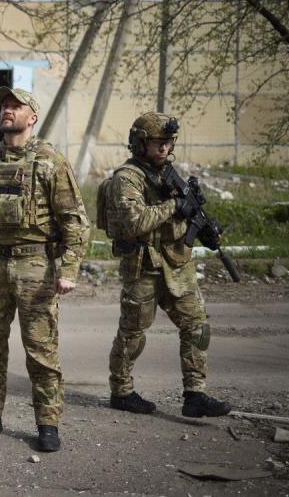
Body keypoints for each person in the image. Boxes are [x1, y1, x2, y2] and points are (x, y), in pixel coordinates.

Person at [0, 87, 90, 452]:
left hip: (36, 264)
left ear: (32, 117)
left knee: (41, 349)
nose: (8, 111)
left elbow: (75, 221)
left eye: (16, 106)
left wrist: (70, 270)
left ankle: (47, 422)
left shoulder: (50, 162)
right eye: (5, 106)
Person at [103, 112, 232, 418]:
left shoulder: (168, 174)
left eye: (168, 143)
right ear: (140, 143)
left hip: (176, 265)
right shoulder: (127, 178)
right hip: (143, 266)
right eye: (156, 143)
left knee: (197, 326)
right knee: (132, 333)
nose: (163, 148)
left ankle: (195, 394)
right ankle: (121, 392)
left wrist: (200, 224)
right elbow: (135, 222)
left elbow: (180, 213)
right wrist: (175, 206)